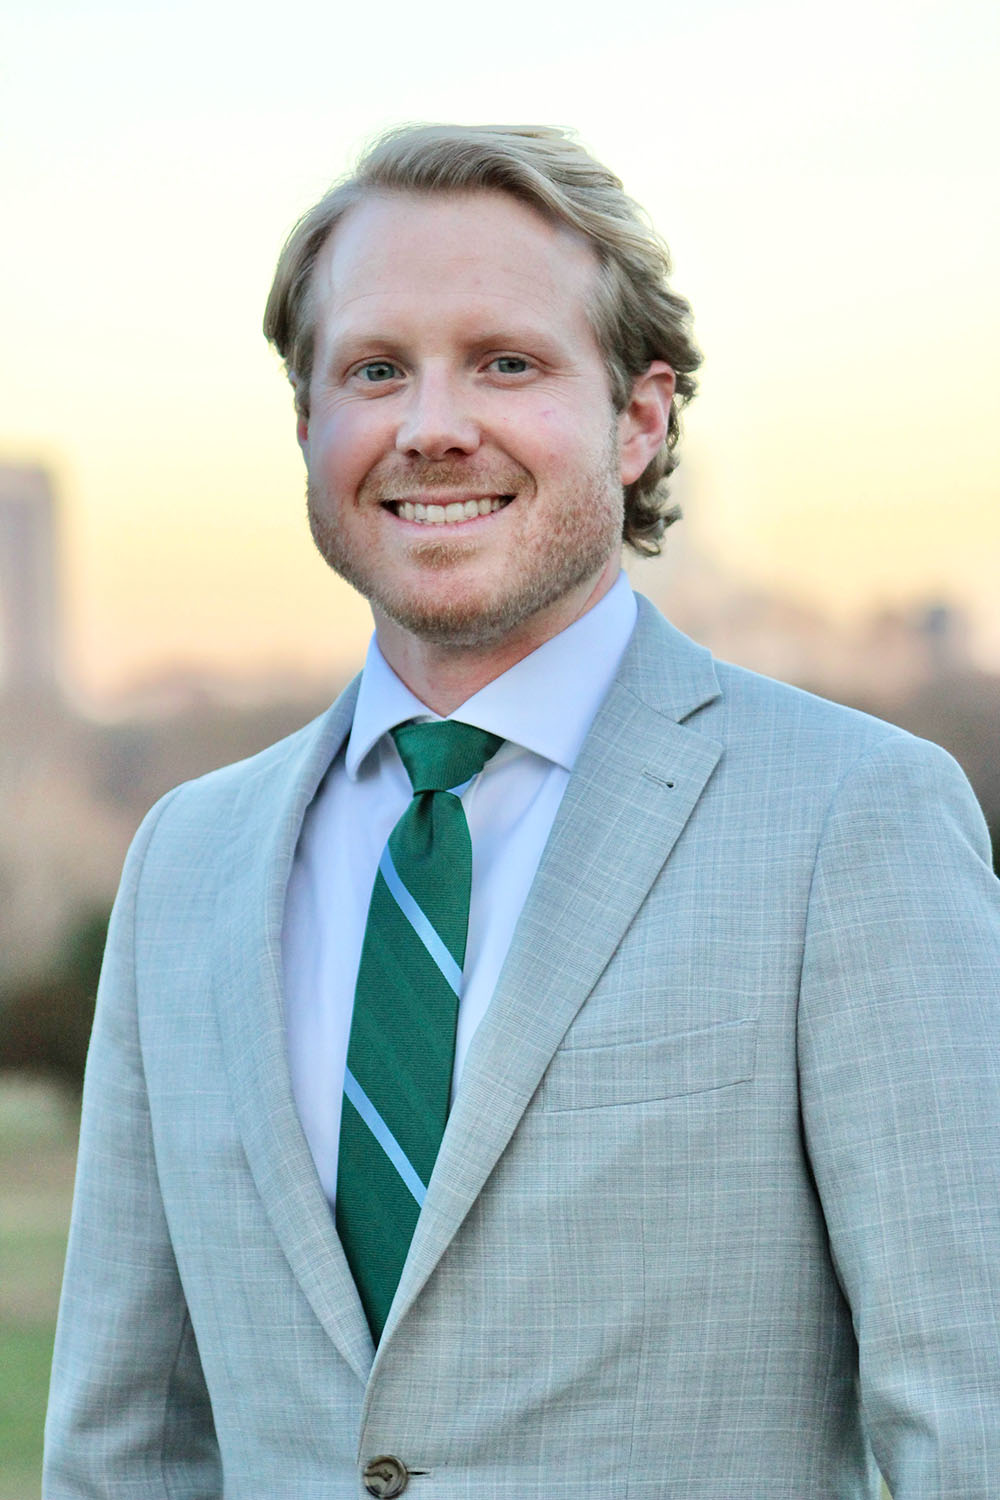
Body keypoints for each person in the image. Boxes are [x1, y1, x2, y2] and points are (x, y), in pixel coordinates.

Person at [44, 124, 1000, 1498]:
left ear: (641, 417)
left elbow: (971, 1420)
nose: (433, 426)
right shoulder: (185, 862)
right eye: (375, 370)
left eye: (507, 362)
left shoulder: (854, 821)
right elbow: (125, 1447)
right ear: (308, 423)